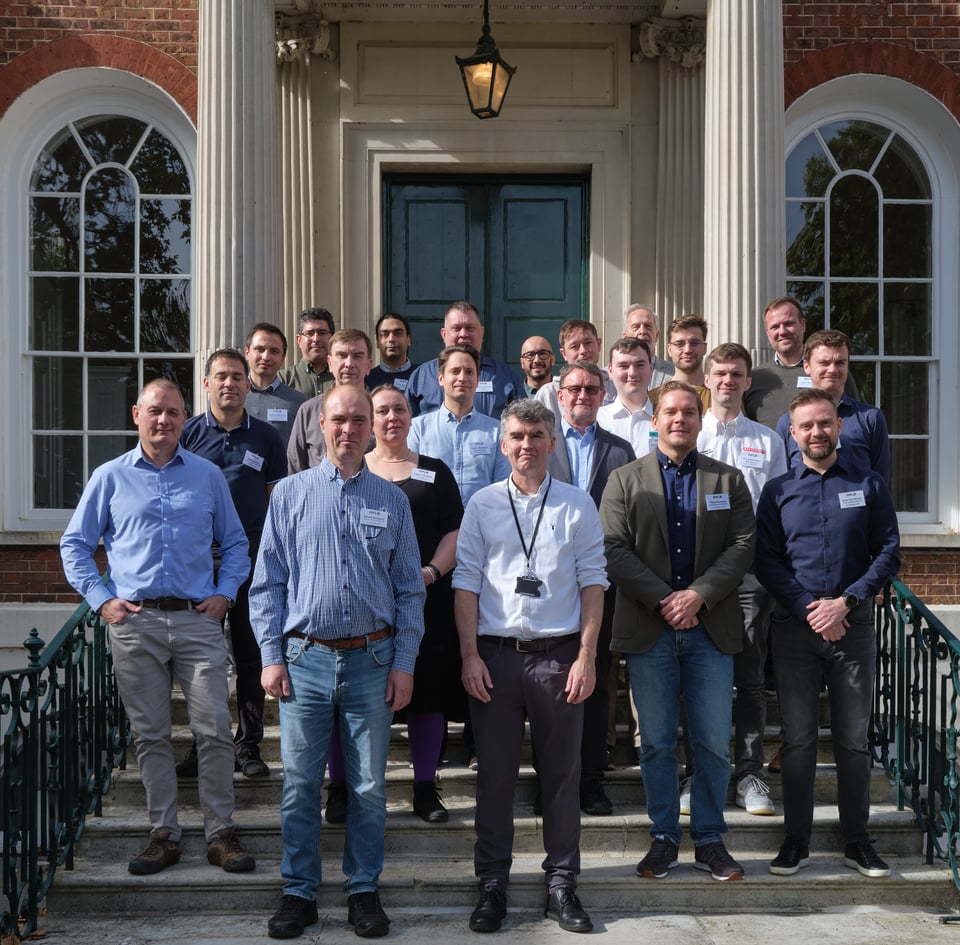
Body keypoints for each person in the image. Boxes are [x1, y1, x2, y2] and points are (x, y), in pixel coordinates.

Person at [250, 384, 425, 940]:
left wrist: (404, 662)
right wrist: (270, 656)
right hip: (303, 660)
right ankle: (298, 891)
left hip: (373, 660)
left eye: (358, 420)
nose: (348, 430)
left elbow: (409, 592)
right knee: (300, 783)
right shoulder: (289, 495)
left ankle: (362, 889)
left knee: (370, 786)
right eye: (339, 420)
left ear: (372, 427)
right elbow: (267, 584)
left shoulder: (393, 500)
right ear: (319, 427)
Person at [59, 379, 255, 877]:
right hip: (136, 622)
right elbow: (75, 545)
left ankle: (220, 833)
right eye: (154, 412)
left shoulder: (207, 476)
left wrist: (225, 594)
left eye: (172, 412)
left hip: (197, 619)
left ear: (184, 418)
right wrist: (103, 602)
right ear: (136, 415)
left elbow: (235, 544)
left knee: (212, 730)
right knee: (150, 735)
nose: (163, 421)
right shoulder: (109, 477)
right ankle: (162, 833)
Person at [453, 398, 608, 934]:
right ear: (503, 444)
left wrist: (587, 656)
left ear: (552, 441)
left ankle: (562, 885)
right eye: (517, 435)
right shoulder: (481, 505)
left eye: (537, 435)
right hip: (495, 659)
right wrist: (470, 654)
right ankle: (492, 883)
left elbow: (594, 583)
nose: (527, 445)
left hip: (559, 658)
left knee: (562, 778)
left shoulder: (577, 505)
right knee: (494, 777)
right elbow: (466, 581)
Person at [599, 381, 755, 882]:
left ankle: (710, 838)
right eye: (670, 411)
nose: (679, 419)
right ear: (655, 420)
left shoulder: (728, 481)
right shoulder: (625, 480)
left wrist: (698, 595)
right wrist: (665, 599)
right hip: (651, 630)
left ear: (699, 418)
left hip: (712, 630)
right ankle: (664, 836)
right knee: (657, 742)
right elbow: (613, 549)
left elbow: (742, 546)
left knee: (711, 742)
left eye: (689, 411)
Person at [755, 388, 901, 878]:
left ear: (837, 427)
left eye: (824, 423)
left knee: (853, 742)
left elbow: (888, 552)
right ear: (792, 435)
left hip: (853, 628)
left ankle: (857, 841)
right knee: (796, 740)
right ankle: (796, 840)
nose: (816, 432)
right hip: (795, 631)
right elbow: (767, 561)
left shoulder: (869, 483)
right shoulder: (777, 492)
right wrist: (807, 607)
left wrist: (846, 601)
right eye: (806, 426)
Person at [685, 343, 788, 817]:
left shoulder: (767, 441)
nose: (728, 381)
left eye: (737, 374)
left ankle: (749, 773)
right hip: (694, 575)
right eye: (720, 373)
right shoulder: (687, 432)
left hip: (749, 575)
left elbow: (779, 510)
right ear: (707, 378)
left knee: (748, 675)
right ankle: (698, 773)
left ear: (749, 381)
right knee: (698, 675)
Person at [179, 348, 288, 780]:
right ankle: (202, 744)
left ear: (248, 384)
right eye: (221, 376)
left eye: (237, 377)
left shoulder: (266, 438)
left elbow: (276, 504)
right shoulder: (187, 435)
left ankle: (248, 745)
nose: (230, 383)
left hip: (252, 562)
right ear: (206, 384)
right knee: (197, 662)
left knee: (250, 656)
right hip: (197, 566)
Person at [366, 385, 465, 823]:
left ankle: (425, 787)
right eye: (383, 410)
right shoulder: (354, 472)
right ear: (370, 420)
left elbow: (454, 533)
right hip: (364, 608)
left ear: (411, 417)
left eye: (400, 409)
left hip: (426, 602)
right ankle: (346, 789)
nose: (392, 417)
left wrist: (431, 573)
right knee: (361, 700)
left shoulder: (434, 472)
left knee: (427, 698)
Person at [548, 362, 635, 816]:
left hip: (603, 585)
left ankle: (591, 781)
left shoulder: (621, 451)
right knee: (548, 685)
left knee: (596, 681)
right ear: (559, 396)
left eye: (591, 389)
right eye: (574, 388)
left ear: (603, 396)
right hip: (547, 585)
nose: (582, 395)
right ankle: (552, 781)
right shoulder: (541, 445)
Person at [775, 329, 890, 484]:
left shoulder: (871, 418)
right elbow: (782, 483)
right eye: (824, 363)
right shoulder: (787, 423)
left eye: (840, 363)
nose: (832, 370)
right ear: (807, 366)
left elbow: (880, 481)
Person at [408, 345, 510, 506]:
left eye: (469, 372)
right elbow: (412, 482)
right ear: (440, 378)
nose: (462, 378)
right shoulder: (417, 429)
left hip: (483, 524)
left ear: (477, 380)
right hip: (432, 524)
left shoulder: (498, 431)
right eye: (455, 371)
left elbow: (503, 487)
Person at [743, 296, 860, 429]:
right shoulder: (753, 379)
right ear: (767, 333)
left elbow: (853, 420)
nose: (782, 331)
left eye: (788, 324)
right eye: (775, 327)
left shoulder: (831, 373)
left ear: (803, 325)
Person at [405, 302, 524, 418]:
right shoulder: (422, 376)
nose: (463, 334)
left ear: (481, 333)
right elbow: (405, 422)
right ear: (444, 334)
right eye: (456, 328)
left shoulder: (504, 376)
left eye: (470, 328)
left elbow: (523, 422)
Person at [286, 328, 374, 473]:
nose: (349, 363)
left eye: (357, 356)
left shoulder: (383, 410)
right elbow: (295, 467)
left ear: (369, 365)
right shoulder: (309, 411)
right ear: (330, 363)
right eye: (342, 356)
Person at [535, 319, 616, 430]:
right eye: (574, 347)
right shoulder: (548, 394)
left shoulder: (616, 386)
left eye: (588, 343)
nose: (583, 351)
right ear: (563, 353)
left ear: (599, 344)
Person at [244, 322, 308, 446]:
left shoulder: (299, 403)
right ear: (247, 353)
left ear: (282, 358)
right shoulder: (230, 397)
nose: (266, 357)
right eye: (260, 349)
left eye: (274, 351)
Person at [597, 338, 657, 457]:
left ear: (650, 368)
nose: (632, 373)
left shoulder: (666, 419)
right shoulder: (598, 420)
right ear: (610, 370)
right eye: (623, 366)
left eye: (639, 365)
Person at [649, 315, 711, 412]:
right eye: (679, 344)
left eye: (694, 343)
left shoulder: (722, 396)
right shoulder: (653, 399)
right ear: (669, 349)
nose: (687, 350)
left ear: (704, 348)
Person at [279, 307, 336, 398]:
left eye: (322, 333)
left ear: (332, 338)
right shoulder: (282, 380)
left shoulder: (344, 377)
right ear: (299, 340)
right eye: (310, 333)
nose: (316, 339)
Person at [622, 304, 675, 388]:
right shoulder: (607, 377)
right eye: (636, 327)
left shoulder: (674, 372)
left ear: (657, 336)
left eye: (648, 327)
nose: (642, 331)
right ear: (625, 337)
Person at [366, 313, 418, 390]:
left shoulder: (422, 376)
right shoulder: (366, 379)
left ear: (408, 339)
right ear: (377, 341)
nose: (391, 339)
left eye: (398, 333)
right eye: (385, 334)